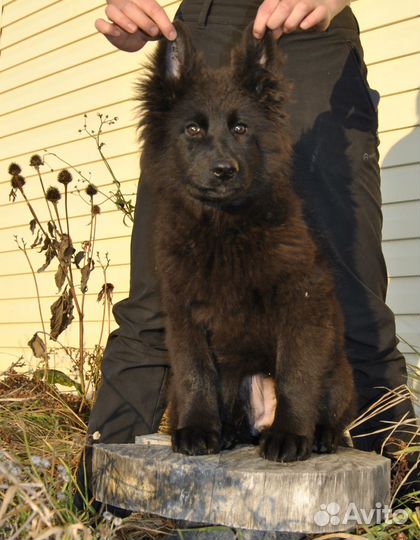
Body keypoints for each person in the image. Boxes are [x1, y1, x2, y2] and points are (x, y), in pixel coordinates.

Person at [75, 0, 419, 513]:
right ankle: (93, 509)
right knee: (153, 307)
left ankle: (404, 507)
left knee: (353, 299)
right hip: (204, 19)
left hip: (313, 28)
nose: (222, 158)